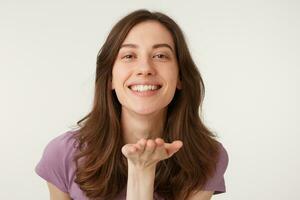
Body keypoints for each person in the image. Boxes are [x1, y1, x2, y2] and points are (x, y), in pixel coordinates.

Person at [35, 9, 229, 200]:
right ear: (110, 78)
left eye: (161, 55)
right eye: (129, 56)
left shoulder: (207, 157)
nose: (145, 69)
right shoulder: (62, 154)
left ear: (180, 77)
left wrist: (142, 172)